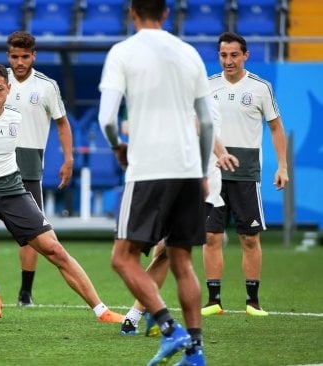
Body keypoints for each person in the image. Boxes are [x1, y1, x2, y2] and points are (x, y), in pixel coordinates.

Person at [0, 63, 123, 323]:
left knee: (55, 251)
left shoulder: (15, 116)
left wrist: (64, 159)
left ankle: (102, 310)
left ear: (8, 89)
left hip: (13, 190)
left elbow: (53, 126)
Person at [97, 0, 215, 364]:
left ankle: (168, 328)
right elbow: (208, 123)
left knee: (122, 257)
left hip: (149, 167)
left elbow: (107, 119)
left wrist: (118, 146)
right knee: (182, 260)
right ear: (166, 14)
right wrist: (202, 170)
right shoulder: (189, 52)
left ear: (132, 13)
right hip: (187, 167)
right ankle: (196, 352)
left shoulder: (123, 52)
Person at [0, 31, 75, 307]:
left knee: (29, 237)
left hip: (28, 168)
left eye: (25, 56)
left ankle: (25, 293)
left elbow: (62, 123)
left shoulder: (47, 86)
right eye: (15, 56)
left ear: (34, 56)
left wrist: (68, 158)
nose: (20, 61)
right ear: (8, 56)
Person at [118, 97, 239, 336]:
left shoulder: (203, 101)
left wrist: (221, 153)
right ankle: (154, 312)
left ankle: (139, 314)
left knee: (166, 250)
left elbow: (205, 129)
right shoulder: (167, 101)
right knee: (161, 251)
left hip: (201, 188)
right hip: (170, 183)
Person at [201, 31, 289, 317]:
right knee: (211, 236)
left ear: (245, 55)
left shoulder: (261, 87)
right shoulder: (207, 86)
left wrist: (282, 166)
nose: (228, 60)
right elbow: (199, 126)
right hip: (213, 172)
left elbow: (276, 127)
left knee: (249, 238)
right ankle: (214, 300)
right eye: (224, 55)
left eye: (234, 55)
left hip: (246, 171)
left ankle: (253, 302)